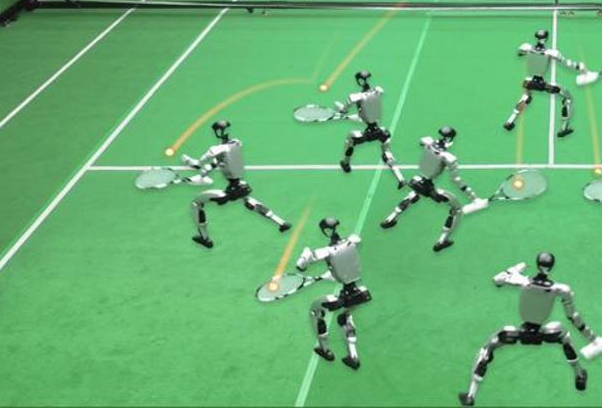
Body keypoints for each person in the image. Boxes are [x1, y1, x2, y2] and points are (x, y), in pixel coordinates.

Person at [458, 253, 596, 406]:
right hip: (546, 334)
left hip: (518, 334)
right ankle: (579, 375)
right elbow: (573, 317)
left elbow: (497, 280)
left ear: (537, 264)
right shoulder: (561, 289)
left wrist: (514, 270)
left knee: (489, 347)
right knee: (564, 336)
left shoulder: (522, 281)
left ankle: (471, 394)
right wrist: (591, 338)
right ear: (552, 266)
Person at [183, 120, 290, 248]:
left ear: (217, 132)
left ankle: (205, 238)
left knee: (196, 203)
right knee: (248, 201)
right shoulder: (236, 143)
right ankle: (281, 223)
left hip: (229, 192)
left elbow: (197, 164)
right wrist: (202, 175)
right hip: (242, 186)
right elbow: (219, 162)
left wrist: (187, 160)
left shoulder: (215, 149)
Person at [380, 127, 482, 252]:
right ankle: (442, 241)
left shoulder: (428, 141)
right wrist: (473, 197)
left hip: (416, 180)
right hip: (429, 188)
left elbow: (422, 141)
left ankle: (390, 219)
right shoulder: (449, 157)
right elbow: (456, 180)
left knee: (414, 194)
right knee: (457, 210)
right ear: (451, 139)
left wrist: (432, 145)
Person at [298, 217, 370, 370]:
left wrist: (304, 255)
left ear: (325, 231)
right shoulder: (352, 240)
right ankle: (353, 357)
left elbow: (302, 264)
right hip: (359, 293)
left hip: (341, 298)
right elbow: (344, 267)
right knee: (345, 318)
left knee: (315, 311)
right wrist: (326, 275)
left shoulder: (325, 251)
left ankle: (325, 350)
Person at [504, 29, 585, 138]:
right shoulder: (551, 52)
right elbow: (567, 63)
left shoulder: (526, 46)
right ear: (546, 38)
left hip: (528, 82)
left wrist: (526, 54)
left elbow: (520, 53)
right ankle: (563, 128)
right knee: (568, 98)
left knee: (526, 97)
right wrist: (578, 66)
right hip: (542, 84)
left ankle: (510, 121)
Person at [337, 70, 404, 186]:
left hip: (368, 133)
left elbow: (346, 108)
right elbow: (364, 113)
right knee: (387, 152)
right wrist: (349, 117)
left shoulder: (355, 97)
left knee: (350, 138)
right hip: (381, 131)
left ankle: (346, 163)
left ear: (359, 81)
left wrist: (342, 110)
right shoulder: (378, 91)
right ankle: (400, 178)